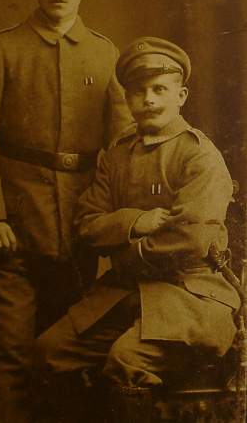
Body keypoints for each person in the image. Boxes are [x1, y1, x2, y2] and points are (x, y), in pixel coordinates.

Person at [0, 0, 133, 423]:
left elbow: (122, 146)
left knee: (66, 354)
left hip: (81, 228)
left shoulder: (103, 53)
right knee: (9, 353)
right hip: (16, 230)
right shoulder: (2, 50)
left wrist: (111, 219)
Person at [35, 37, 241, 422]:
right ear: (127, 99)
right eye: (138, 92)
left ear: (180, 95)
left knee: (125, 361)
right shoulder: (117, 154)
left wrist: (126, 252)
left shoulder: (199, 155)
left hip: (190, 298)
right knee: (51, 350)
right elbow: (86, 224)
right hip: (126, 294)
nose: (148, 100)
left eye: (159, 90)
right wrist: (134, 220)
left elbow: (190, 240)